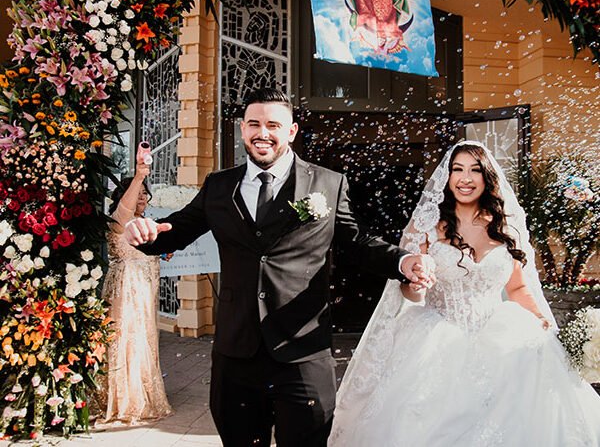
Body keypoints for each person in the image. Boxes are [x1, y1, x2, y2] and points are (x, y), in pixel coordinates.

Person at [123, 88, 433, 446]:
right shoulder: (219, 186)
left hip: (303, 350)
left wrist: (402, 260)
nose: (263, 133)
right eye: (254, 124)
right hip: (236, 352)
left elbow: (357, 241)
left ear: (291, 131)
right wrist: (143, 231)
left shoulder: (328, 183)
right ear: (242, 129)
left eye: (273, 125)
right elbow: (175, 231)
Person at [329, 141, 600, 446]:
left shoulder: (506, 226)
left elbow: (517, 287)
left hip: (501, 336)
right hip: (437, 337)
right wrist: (416, 285)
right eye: (457, 170)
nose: (465, 178)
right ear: (447, 177)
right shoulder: (426, 225)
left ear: (487, 177)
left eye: (475, 170)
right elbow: (409, 290)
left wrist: (541, 320)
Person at [99, 154, 172, 424]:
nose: (142, 197)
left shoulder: (145, 221)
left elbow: (146, 250)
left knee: (145, 337)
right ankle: (127, 399)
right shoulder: (119, 219)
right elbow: (125, 212)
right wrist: (140, 175)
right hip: (126, 287)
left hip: (145, 287)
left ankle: (143, 390)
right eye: (137, 193)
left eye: (144, 193)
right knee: (128, 337)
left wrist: (162, 252)